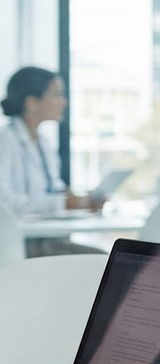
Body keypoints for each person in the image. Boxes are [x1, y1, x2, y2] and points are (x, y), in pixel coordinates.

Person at [0, 67, 103, 256]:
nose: (63, 102)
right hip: (20, 244)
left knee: (104, 260)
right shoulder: (5, 141)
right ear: (31, 103)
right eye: (57, 94)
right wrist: (62, 203)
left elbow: (54, 190)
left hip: (48, 238)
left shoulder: (43, 143)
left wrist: (80, 201)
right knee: (101, 261)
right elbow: (4, 202)